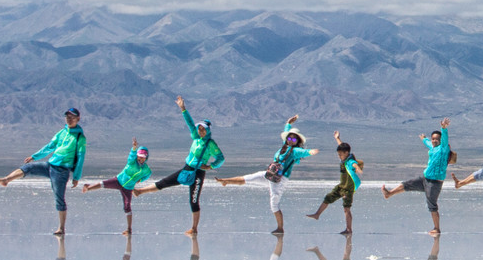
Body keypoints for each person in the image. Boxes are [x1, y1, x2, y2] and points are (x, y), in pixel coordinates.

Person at [0, 107, 87, 237]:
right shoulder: (62, 133)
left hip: (61, 171)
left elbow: (81, 158)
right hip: (50, 165)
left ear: (78, 119)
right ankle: (6, 180)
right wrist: (34, 156)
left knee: (59, 198)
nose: (69, 119)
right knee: (28, 167)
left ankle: (61, 228)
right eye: (67, 117)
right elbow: (49, 147)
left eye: (72, 117)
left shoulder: (80, 138)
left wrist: (76, 177)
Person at [216, 116, 316, 235]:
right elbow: (286, 131)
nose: (291, 140)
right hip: (270, 174)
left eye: (294, 140)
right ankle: (226, 181)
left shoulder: (295, 151)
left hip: (279, 180)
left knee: (274, 204)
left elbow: (306, 152)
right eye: (290, 138)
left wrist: (313, 151)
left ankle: (280, 228)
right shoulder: (284, 147)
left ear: (297, 142)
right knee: (249, 178)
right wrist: (288, 123)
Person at [138, 96, 222, 236]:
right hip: (186, 169)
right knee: (165, 182)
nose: (201, 131)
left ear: (208, 130)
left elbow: (221, 158)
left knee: (193, 200)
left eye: (203, 129)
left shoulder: (210, 144)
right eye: (200, 129)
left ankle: (194, 229)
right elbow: (189, 124)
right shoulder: (196, 137)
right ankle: (140, 192)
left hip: (198, 173)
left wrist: (211, 167)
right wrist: (183, 109)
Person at [382, 120, 450, 235]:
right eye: (433, 138)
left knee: (432, 205)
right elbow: (428, 143)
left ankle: (437, 228)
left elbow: (444, 139)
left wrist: (443, 128)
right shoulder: (432, 148)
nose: (434, 140)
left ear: (441, 140)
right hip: (425, 178)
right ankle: (389, 193)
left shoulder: (443, 148)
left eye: (436, 139)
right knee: (406, 184)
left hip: (435, 182)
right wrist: (424, 139)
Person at [79, 139, 150, 236]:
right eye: (139, 156)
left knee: (127, 206)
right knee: (103, 184)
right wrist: (134, 148)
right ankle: (88, 188)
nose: (140, 159)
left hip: (128, 188)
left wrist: (140, 180)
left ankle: (129, 229)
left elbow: (148, 175)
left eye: (142, 157)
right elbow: (132, 155)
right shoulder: (132, 162)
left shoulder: (146, 169)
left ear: (146, 158)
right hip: (119, 180)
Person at [305, 133, 365, 235]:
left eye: (340, 154)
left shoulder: (350, 161)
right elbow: (342, 146)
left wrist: (358, 168)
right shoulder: (345, 158)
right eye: (338, 154)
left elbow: (354, 164)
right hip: (341, 186)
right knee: (328, 197)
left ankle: (349, 229)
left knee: (346, 208)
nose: (339, 156)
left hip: (348, 189)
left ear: (346, 153)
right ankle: (317, 214)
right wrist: (338, 139)